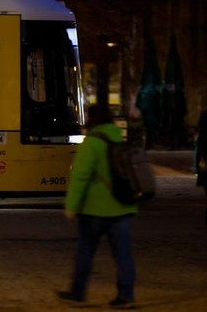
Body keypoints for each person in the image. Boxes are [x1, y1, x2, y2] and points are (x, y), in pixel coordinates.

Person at [57, 103, 138, 309]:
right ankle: (126, 296)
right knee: (123, 255)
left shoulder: (92, 142)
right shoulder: (118, 138)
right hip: (123, 206)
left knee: (85, 251)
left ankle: (78, 293)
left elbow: (80, 176)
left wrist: (71, 205)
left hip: (94, 210)